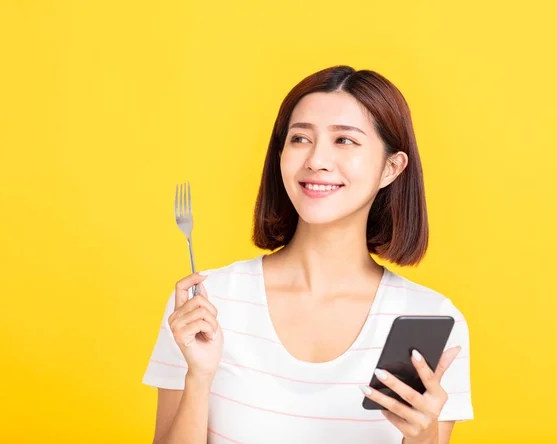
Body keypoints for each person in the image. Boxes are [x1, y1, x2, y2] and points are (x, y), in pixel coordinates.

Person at [142, 65, 474, 443]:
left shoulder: (433, 319)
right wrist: (198, 378)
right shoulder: (206, 304)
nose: (316, 160)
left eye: (344, 141)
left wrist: (424, 432)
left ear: (391, 168)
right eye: (300, 138)